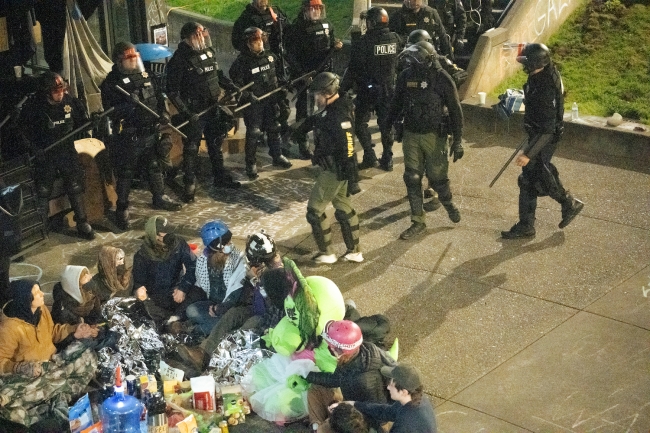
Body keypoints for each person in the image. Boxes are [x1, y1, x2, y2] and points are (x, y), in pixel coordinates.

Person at [501, 43, 584, 239]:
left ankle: (567, 203)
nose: (524, 66)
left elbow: (547, 129)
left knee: (536, 176)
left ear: (536, 63)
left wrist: (528, 154)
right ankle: (527, 225)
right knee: (529, 179)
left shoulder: (545, 86)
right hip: (537, 134)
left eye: (527, 62)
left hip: (544, 137)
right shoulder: (539, 75)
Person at [100, 42, 181, 230]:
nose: (134, 59)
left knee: (154, 165)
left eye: (135, 55)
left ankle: (159, 197)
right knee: (126, 172)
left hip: (151, 129)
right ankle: (122, 208)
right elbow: (109, 111)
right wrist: (128, 105)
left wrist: (165, 114)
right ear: (119, 60)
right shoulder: (111, 83)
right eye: (129, 57)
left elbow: (159, 96)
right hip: (129, 134)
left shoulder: (146, 74)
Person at [387, 41, 464, 240]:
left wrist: (457, 140)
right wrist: (387, 125)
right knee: (412, 178)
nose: (412, 63)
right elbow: (396, 103)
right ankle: (418, 221)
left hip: (434, 136)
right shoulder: (406, 76)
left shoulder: (442, 79)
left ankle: (448, 204)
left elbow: (456, 111)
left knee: (438, 180)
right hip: (411, 134)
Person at [0, 280, 98, 427]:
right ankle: (57, 393)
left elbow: (53, 333)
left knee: (89, 355)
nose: (41, 294)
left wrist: (74, 330)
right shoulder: (10, 327)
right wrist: (19, 367)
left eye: (40, 290)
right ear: (25, 298)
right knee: (10, 406)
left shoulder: (42, 310)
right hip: (30, 376)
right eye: (36, 293)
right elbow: (2, 360)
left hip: (53, 364)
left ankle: (55, 391)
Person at [291, 72, 363, 264]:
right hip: (334, 168)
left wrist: (352, 177)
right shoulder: (331, 109)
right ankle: (354, 252)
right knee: (344, 209)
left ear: (328, 93)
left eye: (317, 94)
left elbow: (348, 145)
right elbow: (317, 120)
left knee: (314, 211)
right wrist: (297, 130)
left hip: (336, 170)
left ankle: (327, 253)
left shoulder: (339, 114)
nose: (315, 98)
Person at [166, 22, 241, 203]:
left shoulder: (208, 52)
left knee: (215, 143)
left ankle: (220, 176)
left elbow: (217, 74)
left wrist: (230, 86)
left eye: (203, 34)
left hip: (213, 105)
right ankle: (189, 183)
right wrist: (185, 112)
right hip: (195, 111)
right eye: (198, 35)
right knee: (191, 148)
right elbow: (172, 91)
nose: (203, 38)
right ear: (189, 38)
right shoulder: (179, 60)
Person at [19, 71, 95, 240]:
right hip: (45, 153)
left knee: (74, 186)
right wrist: (33, 148)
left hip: (66, 150)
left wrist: (91, 122)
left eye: (62, 89)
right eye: (55, 91)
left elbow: (82, 122)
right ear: (46, 91)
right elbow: (22, 131)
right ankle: (41, 227)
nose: (60, 94)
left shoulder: (70, 102)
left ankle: (82, 222)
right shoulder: (34, 106)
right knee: (43, 190)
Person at [304, 320, 396, 432]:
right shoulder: (369, 349)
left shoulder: (355, 379)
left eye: (330, 348)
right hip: (376, 411)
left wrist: (305, 375)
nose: (329, 349)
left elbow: (333, 380)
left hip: (368, 422)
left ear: (339, 351)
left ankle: (317, 428)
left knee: (316, 394)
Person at [340, 7, 401, 172]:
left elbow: (353, 70)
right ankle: (387, 159)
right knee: (386, 125)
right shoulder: (395, 39)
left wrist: (341, 90)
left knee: (359, 123)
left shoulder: (363, 42)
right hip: (388, 90)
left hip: (367, 90)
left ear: (373, 23)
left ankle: (369, 155)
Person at [229, 27, 293, 180]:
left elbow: (279, 74)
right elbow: (237, 86)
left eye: (260, 40)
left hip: (271, 100)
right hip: (254, 103)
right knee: (254, 133)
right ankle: (250, 163)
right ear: (248, 44)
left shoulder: (271, 57)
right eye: (255, 41)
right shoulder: (242, 62)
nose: (259, 44)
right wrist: (247, 95)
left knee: (274, 127)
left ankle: (277, 155)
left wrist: (283, 85)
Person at [285, 0, 343, 160]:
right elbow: (290, 55)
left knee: (324, 110)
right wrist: (302, 74)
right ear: (305, 10)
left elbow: (329, 47)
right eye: (313, 9)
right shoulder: (296, 28)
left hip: (324, 74)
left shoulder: (327, 25)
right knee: (304, 109)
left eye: (319, 9)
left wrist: (336, 46)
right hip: (305, 74)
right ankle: (302, 143)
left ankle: (321, 143)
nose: (316, 12)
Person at [231, 0, 292, 143]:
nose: (263, 2)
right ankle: (261, 135)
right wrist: (252, 50)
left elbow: (288, 31)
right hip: (254, 63)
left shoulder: (275, 13)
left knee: (280, 105)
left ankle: (280, 134)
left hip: (273, 60)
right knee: (257, 115)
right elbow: (236, 42)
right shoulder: (245, 18)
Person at [132, 215, 205, 327]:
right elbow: (139, 283)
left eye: (170, 233)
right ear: (153, 235)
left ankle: (173, 318)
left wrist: (183, 288)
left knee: (199, 292)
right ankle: (172, 320)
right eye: (164, 235)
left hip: (177, 292)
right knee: (142, 307)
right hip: (157, 297)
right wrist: (141, 292)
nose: (169, 237)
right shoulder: (142, 255)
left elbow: (193, 266)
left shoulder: (178, 243)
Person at [185, 220, 248, 335]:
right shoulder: (203, 260)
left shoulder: (237, 258)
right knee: (191, 310)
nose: (231, 244)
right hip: (212, 306)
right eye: (227, 242)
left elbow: (237, 294)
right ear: (217, 245)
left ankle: (198, 329)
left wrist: (220, 309)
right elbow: (199, 287)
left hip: (230, 308)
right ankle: (213, 327)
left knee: (224, 323)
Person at [337, 363, 438, 433]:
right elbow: (386, 411)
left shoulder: (405, 425)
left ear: (404, 392)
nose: (388, 387)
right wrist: (354, 404)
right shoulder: (416, 399)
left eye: (391, 384)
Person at [389, 0, 453, 60]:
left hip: (430, 56)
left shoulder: (431, 13)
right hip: (408, 57)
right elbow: (392, 40)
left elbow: (443, 36)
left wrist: (449, 59)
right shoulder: (397, 16)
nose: (415, 1)